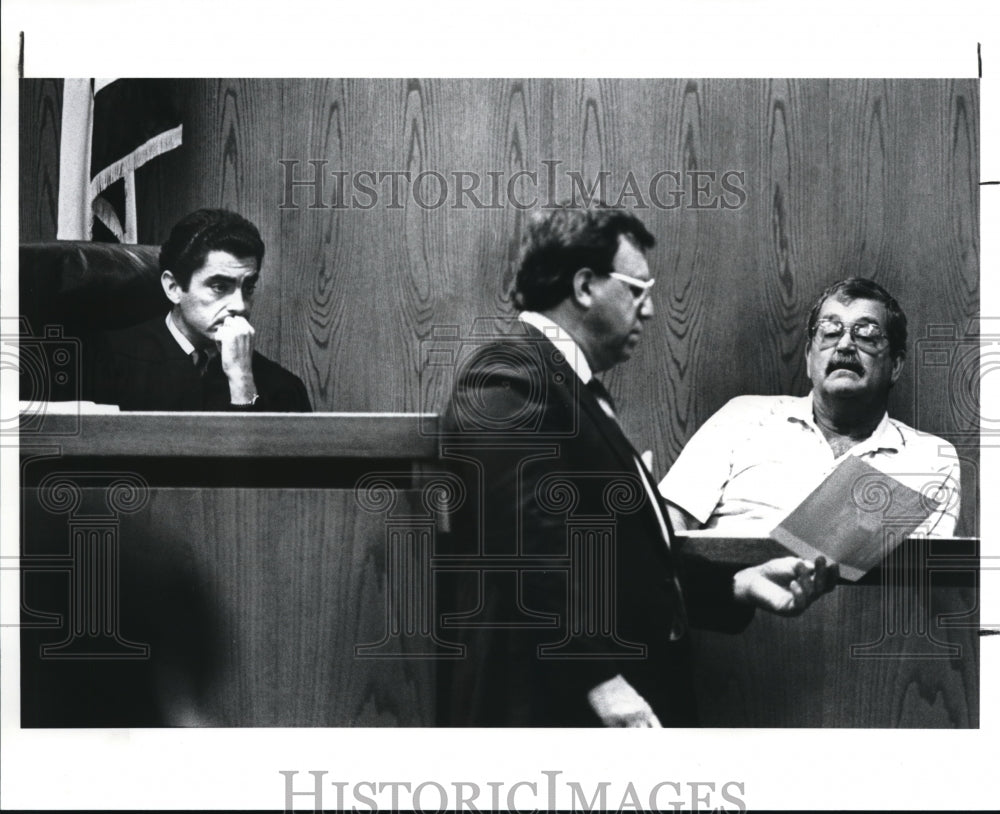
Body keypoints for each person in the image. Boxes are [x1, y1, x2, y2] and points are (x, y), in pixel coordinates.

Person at [436, 204, 836, 727]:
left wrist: (737, 584)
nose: (648, 311)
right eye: (637, 290)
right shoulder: (509, 374)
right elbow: (523, 547)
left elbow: (618, 562)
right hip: (555, 713)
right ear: (584, 286)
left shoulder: (569, 385)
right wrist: (599, 681)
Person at [658, 278, 960, 536]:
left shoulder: (929, 459)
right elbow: (669, 526)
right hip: (732, 598)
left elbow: (925, 581)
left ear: (895, 366)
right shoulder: (742, 417)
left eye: (866, 335)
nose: (844, 346)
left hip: (860, 603)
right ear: (808, 357)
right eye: (830, 332)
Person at [87, 208, 312, 412]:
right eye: (219, 287)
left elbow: (258, 457)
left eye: (248, 287)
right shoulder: (105, 361)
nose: (240, 305)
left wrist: (241, 379)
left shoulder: (282, 387)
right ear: (173, 288)